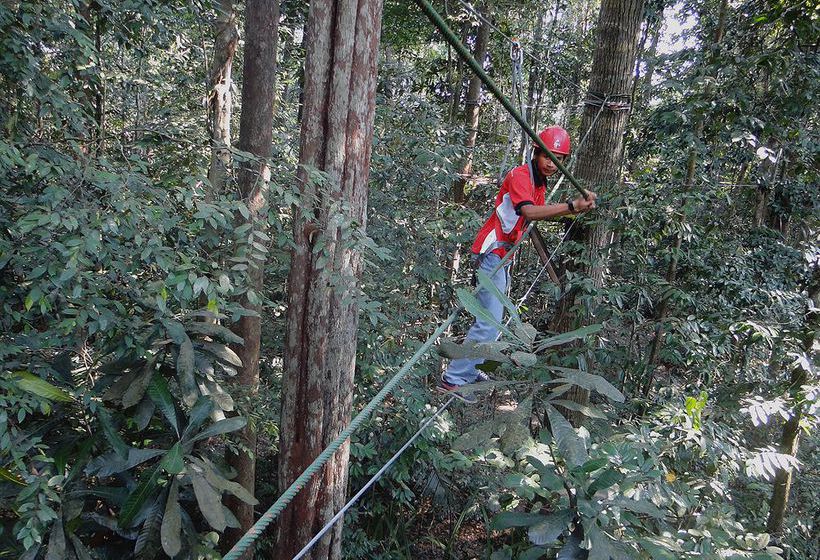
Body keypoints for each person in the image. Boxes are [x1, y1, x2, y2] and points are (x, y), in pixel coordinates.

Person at [438, 125, 597, 403]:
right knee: (488, 321)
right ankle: (454, 379)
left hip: (503, 255)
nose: (551, 163)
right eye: (547, 156)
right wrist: (572, 207)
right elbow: (530, 212)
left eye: (558, 158)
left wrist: (575, 210)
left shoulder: (539, 183)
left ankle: (471, 369)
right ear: (536, 153)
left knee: (495, 320)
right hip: (493, 252)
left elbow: (537, 215)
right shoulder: (521, 176)